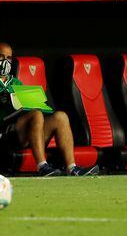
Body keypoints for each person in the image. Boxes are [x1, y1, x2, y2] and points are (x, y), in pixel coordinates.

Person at [0, 42, 99, 176]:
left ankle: (72, 168)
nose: (5, 62)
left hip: (28, 131)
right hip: (7, 133)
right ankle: (42, 167)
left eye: (9, 58)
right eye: (1, 57)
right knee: (36, 114)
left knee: (60, 117)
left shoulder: (16, 82)